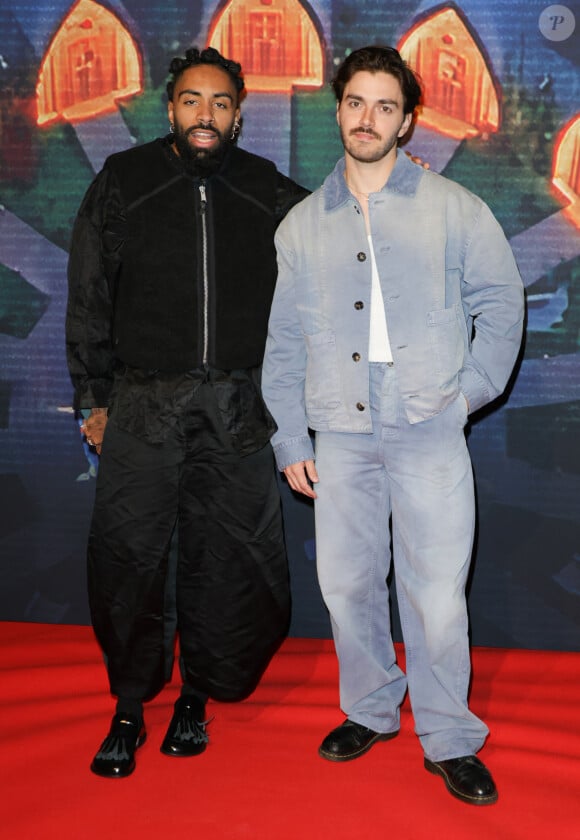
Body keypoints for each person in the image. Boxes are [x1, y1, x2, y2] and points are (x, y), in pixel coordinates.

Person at [262, 46, 524, 806]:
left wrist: (469, 392)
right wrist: (288, 437)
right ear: (337, 110)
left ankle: (447, 736)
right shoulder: (300, 226)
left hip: (429, 420)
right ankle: (371, 709)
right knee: (345, 583)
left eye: (384, 106)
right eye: (355, 102)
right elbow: (281, 342)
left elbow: (502, 305)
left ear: (407, 120)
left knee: (438, 593)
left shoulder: (455, 209)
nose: (367, 118)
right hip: (337, 426)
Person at [66, 46, 308, 778]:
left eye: (222, 103)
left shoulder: (265, 188)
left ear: (239, 113)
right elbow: (88, 298)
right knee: (130, 556)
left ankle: (198, 694)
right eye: (192, 101)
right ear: (170, 108)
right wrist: (93, 399)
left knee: (228, 556)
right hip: (143, 402)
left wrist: (391, 189)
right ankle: (131, 704)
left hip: (237, 405)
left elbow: (335, 228)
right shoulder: (124, 182)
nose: (206, 115)